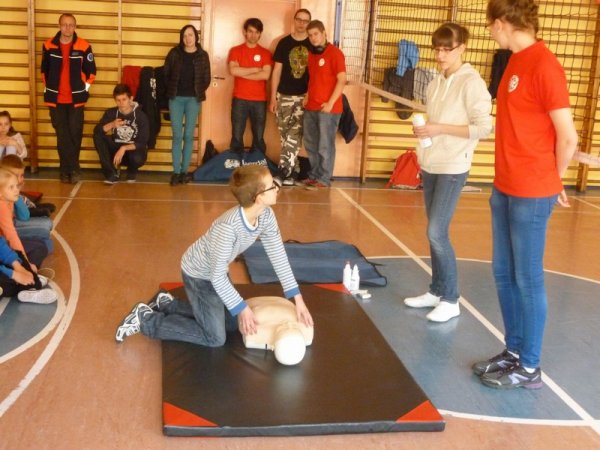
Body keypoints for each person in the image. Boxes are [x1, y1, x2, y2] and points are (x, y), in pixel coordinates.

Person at [472, 0, 578, 390]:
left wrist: (554, 180)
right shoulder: (514, 61)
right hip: (505, 185)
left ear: (502, 23)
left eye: (490, 24)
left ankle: (530, 366)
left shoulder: (545, 65)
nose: (489, 31)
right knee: (503, 273)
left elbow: (568, 137)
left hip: (533, 191)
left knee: (528, 278)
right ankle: (513, 351)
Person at [115, 165, 314, 346]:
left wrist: (298, 299)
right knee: (215, 337)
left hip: (217, 271)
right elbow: (216, 277)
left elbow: (278, 255)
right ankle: (145, 319)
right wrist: (242, 308)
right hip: (199, 275)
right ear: (258, 197)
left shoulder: (266, 215)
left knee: (232, 324)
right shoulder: (228, 228)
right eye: (272, 186)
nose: (278, 188)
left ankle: (167, 304)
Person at [403, 23, 492, 323]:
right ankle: (437, 290)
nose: (440, 55)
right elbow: (435, 122)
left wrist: (438, 128)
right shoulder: (434, 82)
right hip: (431, 163)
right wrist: (425, 131)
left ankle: (451, 299)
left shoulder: (472, 83)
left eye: (447, 49)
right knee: (434, 232)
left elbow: (483, 128)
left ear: (462, 48)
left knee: (436, 232)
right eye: (437, 49)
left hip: (454, 166)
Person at [41, 13, 96, 184]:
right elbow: (44, 71)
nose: (68, 28)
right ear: (59, 26)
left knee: (75, 135)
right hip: (55, 99)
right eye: (64, 24)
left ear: (75, 27)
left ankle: (73, 169)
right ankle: (66, 170)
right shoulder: (48, 45)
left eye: (71, 25)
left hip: (76, 100)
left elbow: (91, 71)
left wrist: (84, 89)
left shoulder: (84, 46)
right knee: (62, 135)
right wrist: (49, 88)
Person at [164, 25, 211, 186]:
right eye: (184, 36)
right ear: (181, 38)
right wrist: (172, 90)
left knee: (189, 136)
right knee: (177, 136)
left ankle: (184, 172)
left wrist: (197, 91)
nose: (188, 39)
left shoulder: (202, 55)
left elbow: (206, 78)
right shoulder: (174, 53)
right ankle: (176, 172)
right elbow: (166, 74)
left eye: (190, 35)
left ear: (196, 37)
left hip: (193, 100)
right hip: (176, 99)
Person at [269, 9, 312, 186]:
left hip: (303, 97)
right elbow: (276, 71)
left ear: (309, 23)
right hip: (283, 95)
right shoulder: (284, 43)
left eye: (305, 21)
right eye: (299, 19)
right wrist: (273, 97)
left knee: (295, 135)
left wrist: (310, 94)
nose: (302, 23)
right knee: (285, 137)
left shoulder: (312, 43)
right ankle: (293, 172)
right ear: (294, 20)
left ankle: (283, 172)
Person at [302, 20, 346, 188]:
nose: (313, 38)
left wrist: (330, 103)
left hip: (328, 109)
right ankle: (314, 175)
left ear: (324, 33)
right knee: (310, 143)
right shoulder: (311, 54)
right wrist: (307, 95)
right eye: (310, 35)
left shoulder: (335, 53)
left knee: (325, 145)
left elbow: (341, 80)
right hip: (311, 106)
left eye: (316, 34)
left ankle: (324, 178)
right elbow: (313, 79)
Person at [228, 18, 272, 155]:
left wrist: (242, 72)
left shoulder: (266, 53)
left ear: (260, 34)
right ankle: (236, 162)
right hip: (239, 98)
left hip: (259, 100)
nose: (253, 35)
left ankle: (258, 162)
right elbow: (233, 71)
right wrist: (255, 69)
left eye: (256, 32)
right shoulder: (235, 50)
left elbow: (266, 75)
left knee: (258, 137)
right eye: (250, 31)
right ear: (245, 32)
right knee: (237, 135)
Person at [93, 84, 149, 184]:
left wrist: (123, 148)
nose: (121, 103)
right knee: (98, 136)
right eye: (118, 100)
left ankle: (132, 170)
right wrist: (112, 124)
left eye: (124, 99)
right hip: (115, 149)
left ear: (131, 99)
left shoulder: (141, 116)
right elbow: (97, 131)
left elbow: (142, 142)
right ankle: (111, 173)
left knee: (137, 157)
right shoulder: (110, 113)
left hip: (132, 152)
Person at [1, 155, 54, 254]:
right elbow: (12, 231)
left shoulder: (10, 193)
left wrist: (17, 192)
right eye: (17, 176)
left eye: (22, 175)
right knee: (46, 240)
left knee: (47, 227)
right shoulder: (4, 200)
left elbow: (24, 216)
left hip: (13, 224)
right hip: (8, 233)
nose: (21, 179)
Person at [243, 296, 314, 366]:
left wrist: (242, 308)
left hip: (250, 303)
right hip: (284, 302)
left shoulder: (255, 331)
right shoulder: (306, 328)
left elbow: (246, 325)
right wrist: (299, 299)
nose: (289, 326)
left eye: (287, 330)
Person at [0, 169, 48, 270]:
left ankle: (26, 271)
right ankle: (24, 272)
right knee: (40, 248)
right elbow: (11, 237)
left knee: (42, 245)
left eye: (16, 186)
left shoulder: (9, 200)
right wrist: (26, 263)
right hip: (3, 246)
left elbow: (23, 216)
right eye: (11, 187)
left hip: (4, 243)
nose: (16, 190)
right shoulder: (2, 207)